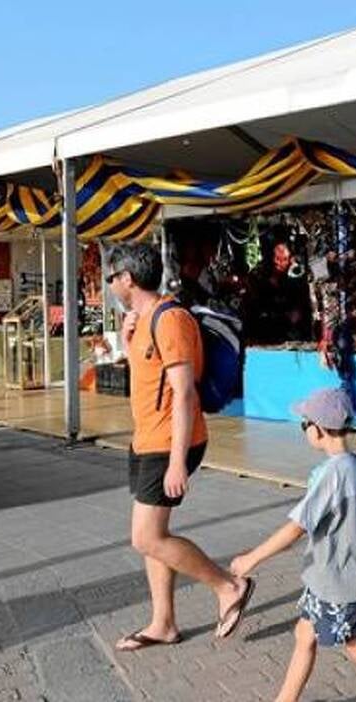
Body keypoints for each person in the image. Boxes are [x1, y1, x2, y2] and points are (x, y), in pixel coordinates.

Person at [104, 242, 254, 652]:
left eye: (112, 278)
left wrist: (176, 462)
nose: (110, 285)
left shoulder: (171, 319)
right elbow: (148, 377)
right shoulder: (142, 320)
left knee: (146, 538)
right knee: (154, 536)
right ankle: (164, 623)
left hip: (169, 442)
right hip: (146, 439)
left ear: (127, 279)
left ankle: (228, 586)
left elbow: (185, 393)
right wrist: (127, 340)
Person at [230, 387, 356, 702]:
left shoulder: (332, 474)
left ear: (318, 429)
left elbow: (296, 528)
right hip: (328, 578)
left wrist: (251, 558)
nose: (304, 429)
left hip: (339, 581)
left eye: (304, 424)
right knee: (304, 634)